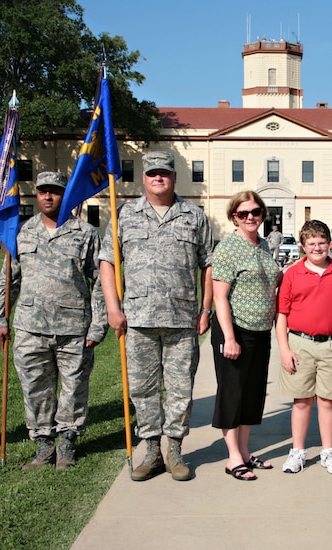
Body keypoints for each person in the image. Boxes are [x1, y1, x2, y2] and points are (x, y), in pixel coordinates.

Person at [100, 151, 213, 482]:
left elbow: (208, 265)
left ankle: (175, 449)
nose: (158, 178)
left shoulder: (195, 217)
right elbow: (108, 262)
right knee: (143, 389)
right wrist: (112, 307)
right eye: (152, 173)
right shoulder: (124, 216)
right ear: (143, 178)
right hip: (138, 319)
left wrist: (205, 309)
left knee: (180, 389)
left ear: (174, 177)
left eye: (164, 172)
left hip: (182, 320)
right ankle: (151, 450)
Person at [0, 172, 107, 470]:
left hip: (74, 327)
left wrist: (98, 323)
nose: (48, 197)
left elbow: (102, 282)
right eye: (43, 191)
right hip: (31, 326)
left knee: (74, 388)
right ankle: (43, 446)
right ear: (36, 194)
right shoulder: (21, 232)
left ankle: (67, 444)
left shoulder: (86, 233)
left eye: (54, 191)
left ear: (64, 194)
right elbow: (9, 280)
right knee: (35, 388)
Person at [276, 220, 332, 475]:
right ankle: (297, 452)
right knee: (301, 401)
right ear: (303, 246)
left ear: (330, 244)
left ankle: (328, 452)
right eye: (311, 243)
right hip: (300, 343)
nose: (317, 247)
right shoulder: (293, 273)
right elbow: (282, 315)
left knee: (327, 400)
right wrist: (284, 349)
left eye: (321, 242)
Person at [211, 190, 282, 481]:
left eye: (255, 212)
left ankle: (244, 451)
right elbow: (219, 297)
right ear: (234, 217)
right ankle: (232, 458)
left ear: (263, 214)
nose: (250, 217)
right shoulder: (227, 248)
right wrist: (229, 337)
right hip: (235, 330)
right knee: (233, 393)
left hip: (260, 331)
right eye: (243, 213)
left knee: (252, 394)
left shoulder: (264, 245)